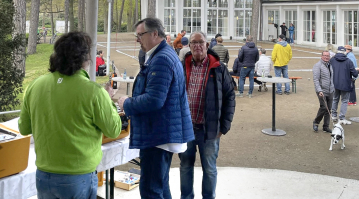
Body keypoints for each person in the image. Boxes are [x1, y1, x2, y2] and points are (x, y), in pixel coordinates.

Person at [19, 32, 122, 198]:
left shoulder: (35, 85)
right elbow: (114, 130)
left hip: (44, 175)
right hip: (78, 176)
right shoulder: (93, 91)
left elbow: (24, 128)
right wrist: (108, 99)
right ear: (85, 58)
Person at [118, 18, 194, 199]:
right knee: (159, 186)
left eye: (140, 35)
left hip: (158, 134)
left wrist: (127, 103)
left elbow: (154, 100)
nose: (138, 40)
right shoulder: (162, 55)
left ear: (154, 34)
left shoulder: (161, 59)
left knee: (151, 189)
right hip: (161, 132)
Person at [180, 31, 235, 199]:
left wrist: (223, 127)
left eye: (200, 42)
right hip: (186, 128)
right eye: (193, 42)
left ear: (207, 45)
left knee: (209, 168)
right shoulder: (181, 66)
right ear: (189, 46)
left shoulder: (219, 68)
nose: (197, 45)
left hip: (209, 130)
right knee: (185, 166)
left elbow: (229, 97)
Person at [330, 46, 358, 125]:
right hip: (345, 83)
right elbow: (354, 73)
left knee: (335, 99)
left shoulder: (332, 60)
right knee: (344, 101)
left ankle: (333, 115)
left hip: (334, 83)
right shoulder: (348, 61)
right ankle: (341, 117)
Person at [312, 51, 334, 133]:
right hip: (322, 91)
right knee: (324, 107)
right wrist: (319, 90)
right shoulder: (317, 66)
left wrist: (333, 87)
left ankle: (326, 126)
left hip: (330, 90)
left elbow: (331, 78)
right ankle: (316, 122)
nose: (326, 57)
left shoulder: (330, 65)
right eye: (324, 55)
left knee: (329, 109)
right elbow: (316, 79)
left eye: (328, 56)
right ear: (321, 56)